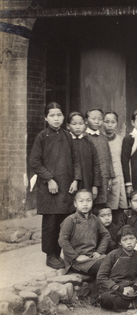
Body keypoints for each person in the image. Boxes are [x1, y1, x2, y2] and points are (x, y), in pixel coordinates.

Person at [29, 102, 81, 269]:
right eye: (52, 115)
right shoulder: (42, 137)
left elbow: (76, 160)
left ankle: (63, 254)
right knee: (50, 223)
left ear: (63, 117)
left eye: (59, 115)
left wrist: (76, 180)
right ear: (46, 118)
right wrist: (49, 179)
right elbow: (35, 162)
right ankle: (50, 255)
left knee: (64, 221)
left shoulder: (68, 136)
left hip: (66, 186)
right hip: (49, 188)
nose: (56, 118)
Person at [97, 225, 137, 312]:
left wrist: (135, 287)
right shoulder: (113, 255)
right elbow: (101, 277)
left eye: (131, 238)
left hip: (133, 289)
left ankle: (128, 304)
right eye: (125, 239)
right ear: (120, 242)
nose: (129, 242)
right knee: (106, 297)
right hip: (117, 290)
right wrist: (120, 289)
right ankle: (134, 304)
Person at [58, 189, 110, 277]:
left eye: (88, 200)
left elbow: (106, 235)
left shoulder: (94, 219)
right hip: (77, 262)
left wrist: (99, 251)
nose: (85, 204)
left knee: (115, 260)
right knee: (106, 266)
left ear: (92, 202)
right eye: (81, 201)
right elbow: (62, 240)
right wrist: (75, 257)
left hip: (93, 257)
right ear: (75, 203)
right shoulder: (70, 220)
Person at [68, 111, 101, 200]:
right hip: (70, 183)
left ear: (85, 125)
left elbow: (96, 164)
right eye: (74, 124)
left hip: (87, 180)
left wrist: (95, 185)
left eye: (81, 124)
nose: (78, 127)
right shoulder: (66, 142)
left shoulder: (88, 142)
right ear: (68, 126)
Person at [85, 108, 114, 205]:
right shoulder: (84, 137)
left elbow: (109, 157)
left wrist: (110, 176)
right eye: (93, 119)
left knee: (102, 205)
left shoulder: (103, 138)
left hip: (104, 177)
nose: (97, 122)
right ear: (86, 120)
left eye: (100, 119)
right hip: (89, 178)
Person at [103, 111, 128, 213]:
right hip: (104, 178)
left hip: (118, 176)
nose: (110, 125)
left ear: (117, 123)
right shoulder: (99, 139)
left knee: (118, 207)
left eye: (113, 122)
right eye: (106, 121)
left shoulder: (120, 140)